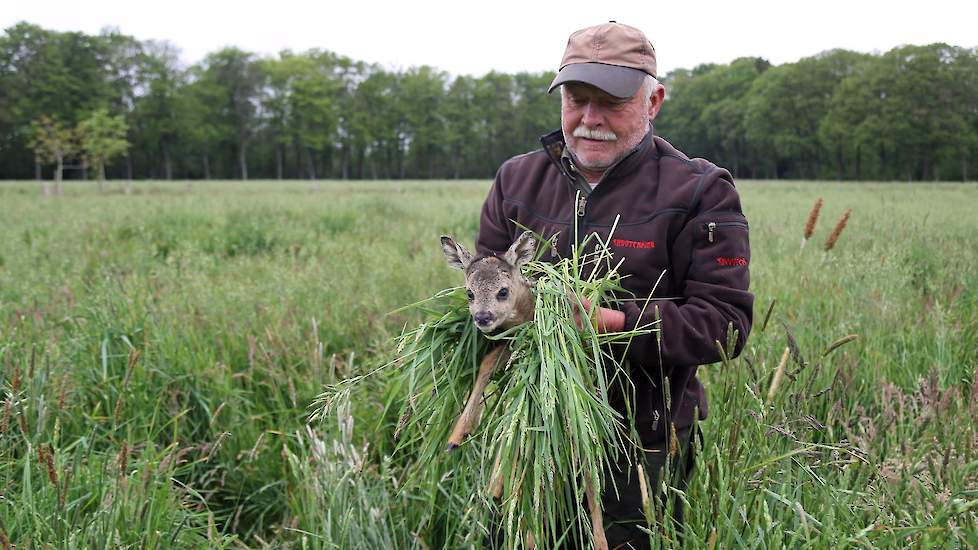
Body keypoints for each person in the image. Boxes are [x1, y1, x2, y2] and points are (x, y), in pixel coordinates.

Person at [475, 21, 754, 549]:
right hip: (527, 437)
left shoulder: (701, 191)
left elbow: (727, 324)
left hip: (641, 447)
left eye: (612, 102)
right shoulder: (516, 180)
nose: (590, 120)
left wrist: (619, 325)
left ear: (653, 103)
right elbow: (485, 290)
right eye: (577, 100)